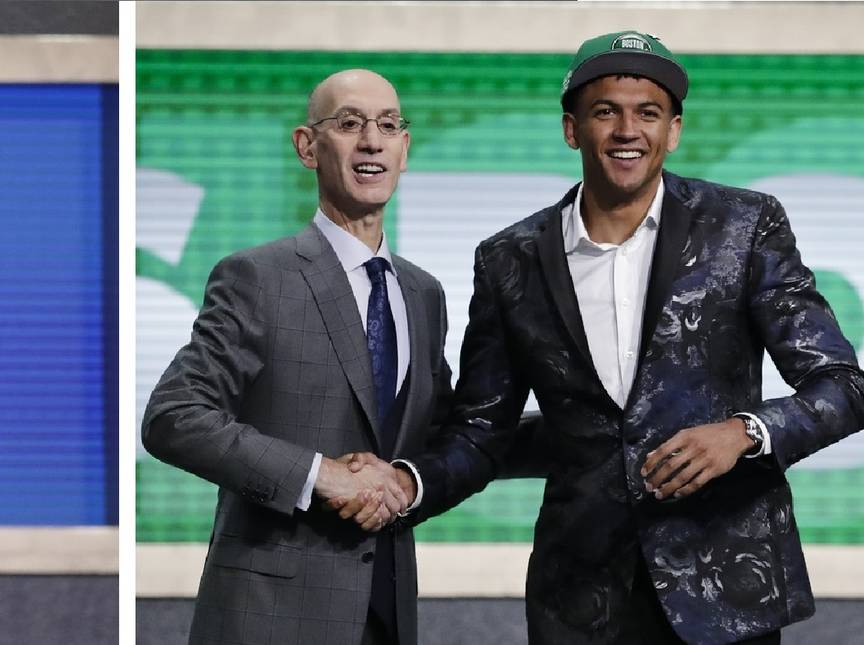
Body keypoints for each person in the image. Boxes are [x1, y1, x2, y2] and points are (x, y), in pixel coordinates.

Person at [358, 31, 864, 644]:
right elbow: (481, 430)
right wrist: (404, 483)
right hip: (579, 597)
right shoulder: (509, 258)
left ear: (673, 130)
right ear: (572, 129)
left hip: (726, 589)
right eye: (606, 112)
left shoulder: (744, 225)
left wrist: (744, 434)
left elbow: (842, 386)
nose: (628, 130)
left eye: (648, 113)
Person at [141, 69, 444, 645]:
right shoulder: (258, 276)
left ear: (405, 148)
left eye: (388, 125)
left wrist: (586, 433)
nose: (372, 141)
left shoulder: (422, 293)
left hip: (387, 610)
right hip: (271, 615)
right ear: (308, 146)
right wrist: (320, 475)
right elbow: (174, 416)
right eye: (349, 123)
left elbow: (448, 432)